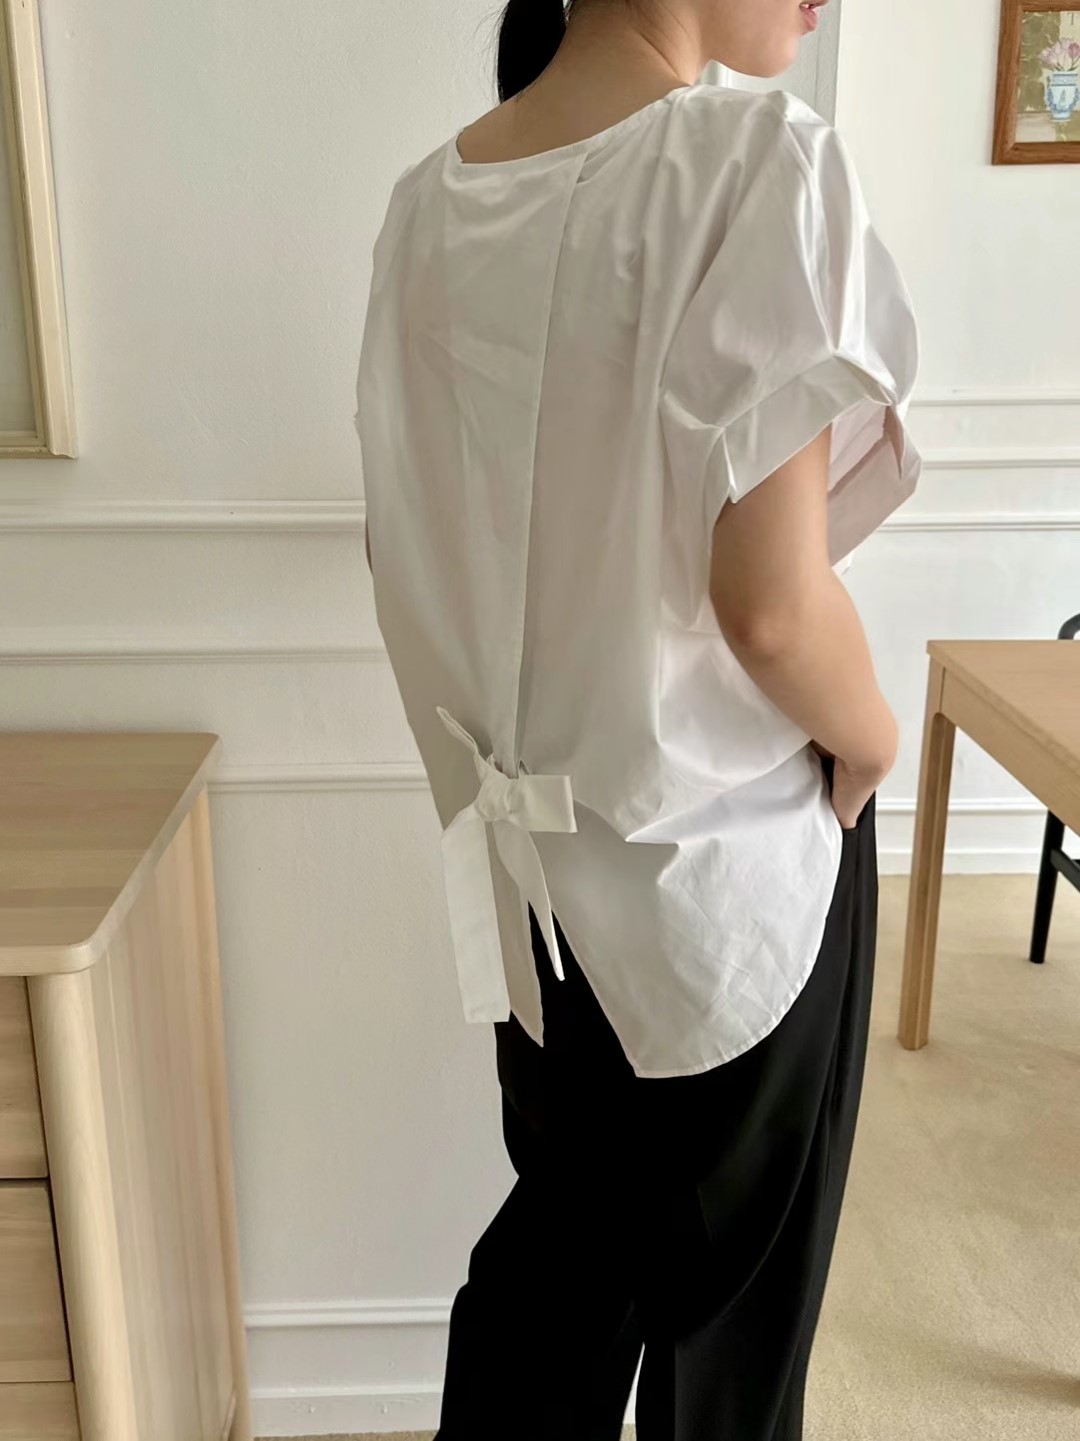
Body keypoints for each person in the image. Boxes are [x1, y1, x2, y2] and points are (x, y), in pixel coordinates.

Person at [354, 0, 921, 1435]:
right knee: (728, 1361)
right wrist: (874, 739)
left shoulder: (425, 212)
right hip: (727, 877)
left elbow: (412, 563)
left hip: (536, 904)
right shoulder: (756, 161)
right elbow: (773, 607)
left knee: (558, 1282)